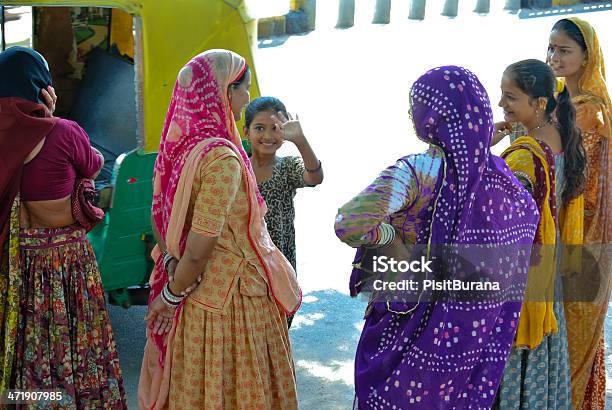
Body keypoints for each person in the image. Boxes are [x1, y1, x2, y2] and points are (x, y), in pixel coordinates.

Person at [334, 65, 540, 408]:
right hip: (465, 343)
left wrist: (388, 238)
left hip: (404, 322)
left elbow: (350, 221)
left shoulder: (417, 171)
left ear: (429, 117)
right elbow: (525, 230)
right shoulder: (503, 181)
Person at [138, 49, 301, 410]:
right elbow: (200, 245)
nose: (246, 98)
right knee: (239, 391)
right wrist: (171, 297)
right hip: (230, 302)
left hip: (193, 296)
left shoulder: (179, 146)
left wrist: (171, 272)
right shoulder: (223, 158)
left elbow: (159, 216)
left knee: (197, 390)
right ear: (223, 92)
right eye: (242, 89)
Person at [0, 46, 127, 408]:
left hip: (16, 259)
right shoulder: (64, 132)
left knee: (26, 349)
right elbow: (92, 164)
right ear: (43, 88)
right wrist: (51, 116)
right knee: (74, 347)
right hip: (65, 260)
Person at [494, 59, 586, 409]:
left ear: (540, 104)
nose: (501, 104)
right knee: (546, 352)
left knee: (518, 355)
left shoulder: (524, 157)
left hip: (523, 273)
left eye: (510, 97)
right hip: (551, 267)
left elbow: (503, 218)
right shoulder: (563, 135)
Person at [547, 17, 612, 409]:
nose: (554, 57)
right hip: (558, 234)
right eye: (551, 49)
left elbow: (577, 181)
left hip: (584, 240)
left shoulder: (589, 110)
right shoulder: (555, 100)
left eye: (564, 50)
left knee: (575, 336)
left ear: (586, 56)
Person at [244, 97, 323, 326]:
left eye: (275, 129)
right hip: (248, 264)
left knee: (278, 325)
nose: (267, 136)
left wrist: (300, 141)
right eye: (260, 128)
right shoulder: (237, 167)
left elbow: (314, 177)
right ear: (246, 131)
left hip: (280, 263)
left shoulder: (287, 167)